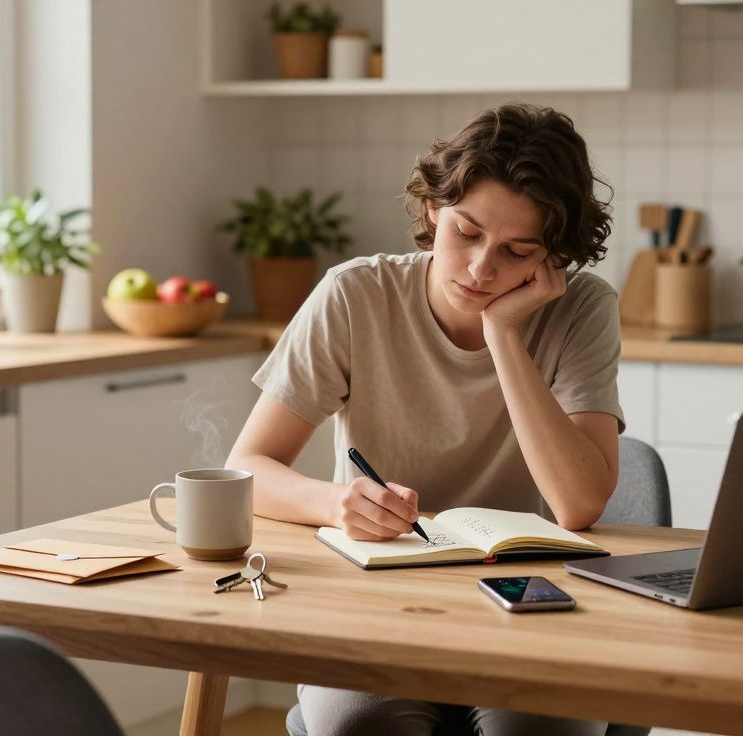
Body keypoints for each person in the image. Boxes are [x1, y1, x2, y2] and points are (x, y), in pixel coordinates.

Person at [225, 102, 622, 736]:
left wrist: (503, 333)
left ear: (552, 259)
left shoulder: (582, 311)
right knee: (363, 724)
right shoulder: (354, 294)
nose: (481, 268)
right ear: (434, 208)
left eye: (517, 251)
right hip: (375, 592)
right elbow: (246, 465)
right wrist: (336, 504)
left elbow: (577, 505)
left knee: (538, 731)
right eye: (466, 232)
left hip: (522, 597)